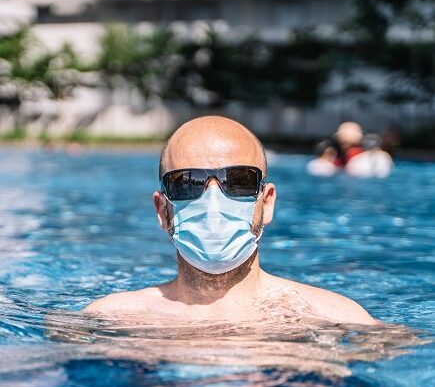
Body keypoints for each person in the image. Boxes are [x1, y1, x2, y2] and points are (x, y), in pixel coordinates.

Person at [83, 116, 378, 325]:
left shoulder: (338, 320)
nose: (213, 203)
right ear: (162, 210)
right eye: (186, 183)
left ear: (267, 202)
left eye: (239, 181)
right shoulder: (108, 321)